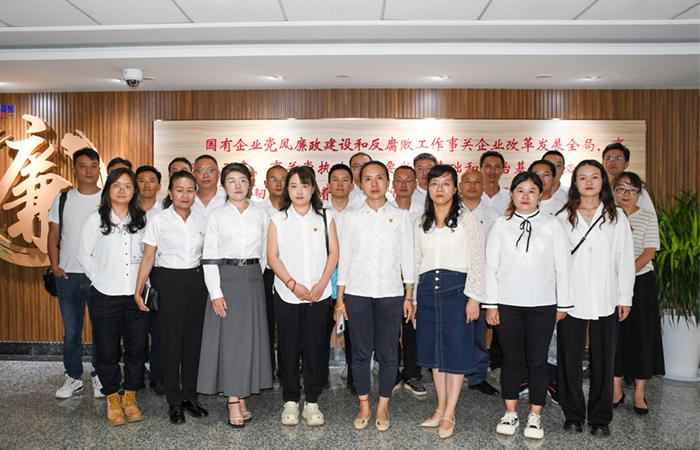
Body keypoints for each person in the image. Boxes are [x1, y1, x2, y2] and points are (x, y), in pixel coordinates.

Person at [483, 172, 573, 440]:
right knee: (511, 360)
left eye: (532, 191)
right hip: (507, 304)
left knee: (538, 361)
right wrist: (491, 304)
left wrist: (563, 304)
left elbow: (563, 267)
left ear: (540, 195)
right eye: (520, 190)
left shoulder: (552, 224)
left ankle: (535, 415)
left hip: (543, 305)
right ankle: (510, 412)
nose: (525, 196)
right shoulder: (501, 225)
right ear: (511, 194)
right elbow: (490, 267)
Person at [557, 160, 635, 437]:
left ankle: (601, 418)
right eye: (582, 177)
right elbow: (556, 262)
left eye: (594, 177)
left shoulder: (616, 217)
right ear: (574, 183)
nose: (588, 182)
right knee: (569, 359)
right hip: (571, 299)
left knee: (604, 360)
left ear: (603, 181)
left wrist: (625, 297)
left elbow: (625, 259)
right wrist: (558, 299)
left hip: (606, 297)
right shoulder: (563, 217)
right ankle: (573, 415)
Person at [335, 161, 415, 432]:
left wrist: (409, 295)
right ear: (361, 184)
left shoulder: (401, 217)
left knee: (388, 352)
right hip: (357, 293)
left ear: (387, 182)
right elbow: (345, 258)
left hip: (390, 293)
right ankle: (364, 405)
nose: (374, 184)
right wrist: (340, 298)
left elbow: (408, 257)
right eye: (368, 179)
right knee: (360, 352)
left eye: (379, 177)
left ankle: (382, 406)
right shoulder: (351, 217)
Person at [197, 163, 273, 428]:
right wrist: (215, 293)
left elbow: (264, 254)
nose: (238, 185)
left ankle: (241, 395)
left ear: (250, 183)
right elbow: (209, 256)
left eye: (242, 180)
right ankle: (232, 399)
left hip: (252, 281)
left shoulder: (261, 214)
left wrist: (253, 277)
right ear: (224, 185)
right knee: (230, 343)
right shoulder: (216, 216)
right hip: (225, 280)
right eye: (231, 181)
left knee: (248, 341)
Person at [415, 165, 487, 439]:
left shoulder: (468, 220)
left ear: (455, 188)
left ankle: (450, 413)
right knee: (435, 355)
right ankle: (440, 407)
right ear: (428, 188)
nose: (440, 189)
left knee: (455, 354)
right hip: (427, 291)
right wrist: (413, 298)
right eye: (434, 184)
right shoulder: (421, 222)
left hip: (458, 291)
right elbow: (416, 261)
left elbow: (478, 262)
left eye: (446, 184)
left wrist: (474, 298)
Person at [133, 170, 209, 425]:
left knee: (193, 343)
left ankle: (190, 397)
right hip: (168, 281)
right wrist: (138, 290)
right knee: (171, 344)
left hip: (196, 282)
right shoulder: (158, 220)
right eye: (179, 190)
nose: (185, 195)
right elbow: (148, 257)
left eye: (190, 190)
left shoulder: (203, 220)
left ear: (195, 193)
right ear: (170, 192)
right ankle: (174, 401)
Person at [268, 166, 339, 427]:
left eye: (305, 185)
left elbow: (334, 253)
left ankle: (311, 401)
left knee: (315, 348)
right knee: (288, 348)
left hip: (319, 294)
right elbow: (272, 256)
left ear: (313, 189)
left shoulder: (325, 216)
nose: (299, 191)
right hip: (287, 293)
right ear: (287, 189)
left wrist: (321, 284)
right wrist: (292, 284)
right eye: (294, 185)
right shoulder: (278, 219)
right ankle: (290, 400)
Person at [77, 168, 148, 426]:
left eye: (127, 186)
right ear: (108, 189)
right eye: (117, 185)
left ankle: (130, 396)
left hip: (136, 296)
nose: (122, 190)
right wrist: (98, 278)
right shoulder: (95, 220)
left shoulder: (142, 220)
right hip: (105, 295)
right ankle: (112, 398)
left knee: (136, 348)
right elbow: (83, 255)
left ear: (134, 191)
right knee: (107, 350)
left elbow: (150, 255)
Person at [47, 147, 104, 399]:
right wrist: (55, 265)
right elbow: (53, 235)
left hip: (99, 277)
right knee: (71, 332)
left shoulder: (108, 198)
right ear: (74, 170)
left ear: (99, 169)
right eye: (83, 166)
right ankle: (73, 377)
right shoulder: (63, 199)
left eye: (93, 166)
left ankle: (101, 376)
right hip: (68, 275)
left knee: (102, 331)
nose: (88, 171)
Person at [612, 172, 664, 415]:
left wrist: (626, 274)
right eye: (621, 189)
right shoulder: (607, 216)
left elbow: (649, 251)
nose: (626, 194)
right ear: (613, 191)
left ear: (639, 194)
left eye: (631, 190)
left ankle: (640, 394)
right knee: (614, 337)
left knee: (641, 337)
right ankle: (616, 390)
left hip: (640, 282)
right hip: (610, 284)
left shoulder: (647, 217)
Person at [458, 169, 500, 395]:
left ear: (483, 187)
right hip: (455, 278)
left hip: (483, 279)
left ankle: (478, 376)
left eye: (477, 182)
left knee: (478, 330)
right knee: (454, 328)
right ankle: (453, 371)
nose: (472, 186)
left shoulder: (494, 215)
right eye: (467, 182)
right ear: (459, 187)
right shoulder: (450, 211)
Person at [390, 165, 427, 397]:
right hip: (391, 276)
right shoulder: (385, 210)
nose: (403, 185)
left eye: (408, 180)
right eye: (399, 180)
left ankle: (412, 373)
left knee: (413, 326)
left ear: (415, 184)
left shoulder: (424, 213)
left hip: (417, 277)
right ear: (392, 184)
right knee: (390, 327)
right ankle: (392, 373)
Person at [322, 163, 355, 393]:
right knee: (321, 331)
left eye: (345, 180)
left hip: (352, 279)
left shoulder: (359, 212)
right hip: (324, 279)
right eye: (335, 179)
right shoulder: (319, 212)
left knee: (354, 333)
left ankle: (355, 378)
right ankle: (320, 377)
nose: (340, 184)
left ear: (352, 185)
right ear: (328, 185)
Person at [135, 165, 165, 395]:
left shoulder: (165, 212)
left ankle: (157, 376)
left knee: (159, 330)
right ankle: (135, 379)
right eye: (142, 180)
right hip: (130, 274)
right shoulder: (127, 209)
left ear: (159, 185)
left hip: (157, 274)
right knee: (136, 331)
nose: (147, 185)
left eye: (151, 180)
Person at [259, 165, 288, 380]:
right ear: (265, 184)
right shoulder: (258, 210)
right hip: (265, 273)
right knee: (266, 322)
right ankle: (267, 370)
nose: (279, 183)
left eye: (283, 179)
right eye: (273, 179)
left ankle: (288, 370)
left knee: (289, 323)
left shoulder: (297, 207)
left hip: (291, 275)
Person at [602, 143, 656, 218]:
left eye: (618, 158)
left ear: (626, 164)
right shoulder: (597, 187)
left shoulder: (637, 188)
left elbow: (650, 215)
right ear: (603, 162)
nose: (613, 162)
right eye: (608, 158)